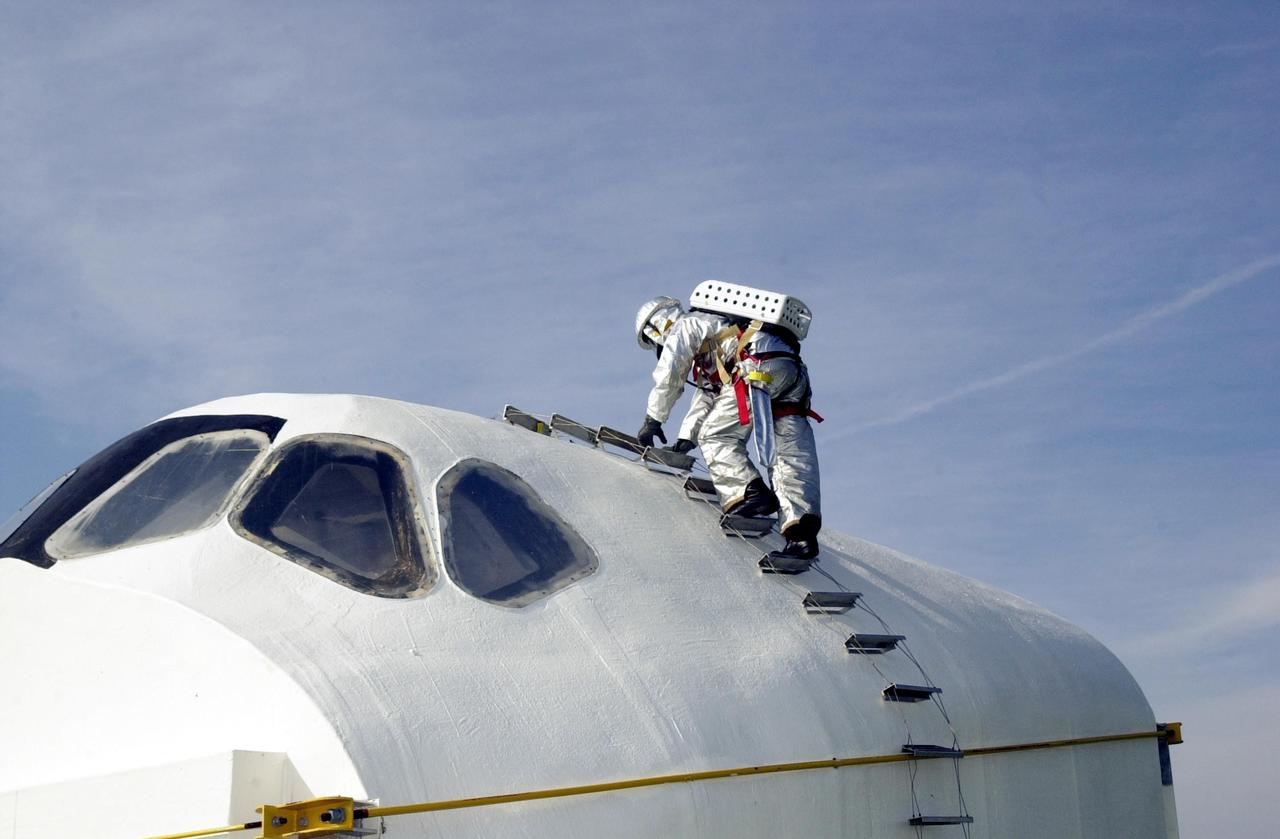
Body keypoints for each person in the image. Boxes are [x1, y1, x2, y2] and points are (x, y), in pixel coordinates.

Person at [634, 295, 822, 559]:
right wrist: (686, 439)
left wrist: (652, 420)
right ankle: (801, 536)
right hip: (790, 371)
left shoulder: (685, 325)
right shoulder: (716, 331)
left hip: (756, 366)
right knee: (790, 453)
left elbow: (670, 373)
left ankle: (750, 493)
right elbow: (708, 395)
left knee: (716, 435)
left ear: (655, 328)